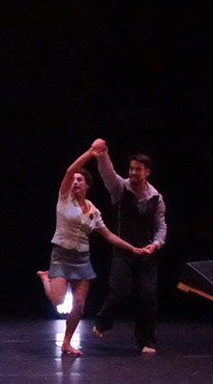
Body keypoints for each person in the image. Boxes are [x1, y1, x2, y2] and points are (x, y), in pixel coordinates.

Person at [37, 142, 147, 355]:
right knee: (58, 300)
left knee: (78, 305)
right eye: (74, 180)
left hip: (81, 259)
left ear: (87, 185)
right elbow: (70, 170)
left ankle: (67, 342)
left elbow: (109, 236)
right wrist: (91, 152)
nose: (75, 181)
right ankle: (45, 277)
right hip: (61, 254)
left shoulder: (94, 211)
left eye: (80, 180)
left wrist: (133, 248)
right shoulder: (64, 199)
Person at [91, 139, 167, 354]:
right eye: (131, 168)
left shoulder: (156, 198)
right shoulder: (119, 188)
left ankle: (146, 340)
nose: (133, 173)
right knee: (121, 289)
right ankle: (103, 321)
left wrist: (155, 244)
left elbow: (161, 226)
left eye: (137, 170)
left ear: (147, 173)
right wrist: (102, 154)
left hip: (146, 253)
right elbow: (107, 173)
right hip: (123, 249)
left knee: (148, 295)